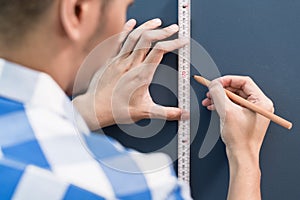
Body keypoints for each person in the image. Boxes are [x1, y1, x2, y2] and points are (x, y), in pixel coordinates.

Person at [0, 0, 274, 199]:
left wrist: (85, 110)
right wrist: (245, 158)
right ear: (77, 11)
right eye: (126, 7)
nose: (123, 23)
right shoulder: (129, 188)